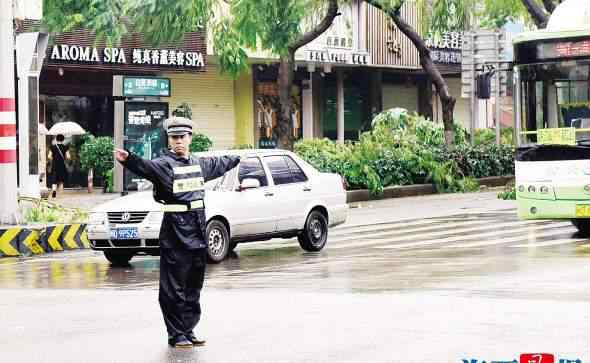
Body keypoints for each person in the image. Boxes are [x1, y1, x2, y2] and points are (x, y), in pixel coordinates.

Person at [113, 116, 240, 348]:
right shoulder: (163, 164)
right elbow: (145, 167)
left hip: (198, 227)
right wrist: (129, 159)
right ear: (169, 139)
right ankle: (176, 333)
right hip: (175, 231)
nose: (178, 141)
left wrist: (239, 157)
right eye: (174, 137)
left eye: (182, 137)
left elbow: (220, 163)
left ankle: (189, 329)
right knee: (173, 287)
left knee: (194, 284)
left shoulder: (199, 164)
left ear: (190, 138)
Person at [48, 134, 70, 198]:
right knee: (61, 181)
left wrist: (54, 159)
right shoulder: (65, 147)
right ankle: (60, 196)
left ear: (56, 139)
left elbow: (49, 156)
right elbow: (68, 157)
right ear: (63, 140)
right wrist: (65, 159)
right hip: (62, 165)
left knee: (54, 179)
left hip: (55, 165)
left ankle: (54, 190)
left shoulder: (52, 147)